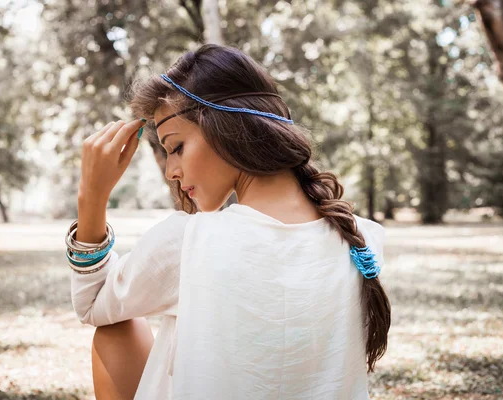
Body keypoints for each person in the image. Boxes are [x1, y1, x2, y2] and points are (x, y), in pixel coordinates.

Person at [67, 44, 391, 400]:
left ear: (225, 127)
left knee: (116, 328)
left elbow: (93, 304)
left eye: (176, 147)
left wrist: (92, 198)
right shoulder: (364, 241)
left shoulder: (190, 242)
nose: (172, 172)